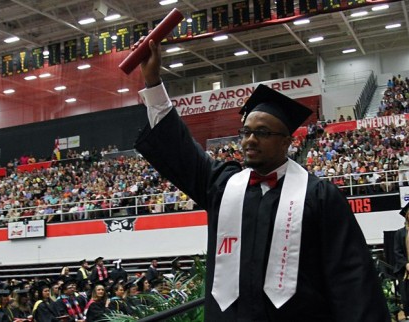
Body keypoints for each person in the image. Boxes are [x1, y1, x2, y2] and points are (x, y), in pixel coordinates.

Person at [132, 38, 390, 321]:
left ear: (286, 143)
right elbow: (179, 150)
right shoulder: (224, 186)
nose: (251, 140)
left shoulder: (318, 196)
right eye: (246, 132)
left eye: (263, 133)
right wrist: (154, 81)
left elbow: (350, 277)